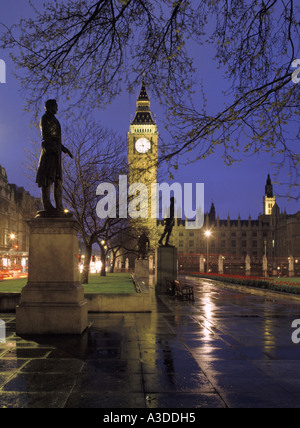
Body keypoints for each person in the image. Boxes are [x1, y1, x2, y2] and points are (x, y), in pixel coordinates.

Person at [36, 99, 73, 212]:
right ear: (49, 107)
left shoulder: (54, 119)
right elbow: (46, 137)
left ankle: (59, 207)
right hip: (49, 153)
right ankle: (47, 206)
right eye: (55, 106)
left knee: (58, 179)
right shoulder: (45, 118)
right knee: (47, 179)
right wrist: (52, 148)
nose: (57, 108)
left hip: (55, 152)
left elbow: (56, 139)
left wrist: (63, 148)